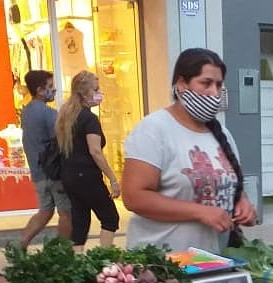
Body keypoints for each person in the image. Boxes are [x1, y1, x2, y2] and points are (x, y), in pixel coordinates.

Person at [122, 48, 256, 253]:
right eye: (206, 83)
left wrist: (242, 202)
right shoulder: (153, 130)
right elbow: (134, 197)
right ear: (182, 84)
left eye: (219, 85)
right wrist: (199, 212)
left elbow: (227, 182)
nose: (214, 93)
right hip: (164, 261)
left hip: (213, 260)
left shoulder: (223, 134)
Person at [55, 70, 120, 251]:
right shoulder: (89, 119)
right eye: (96, 90)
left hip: (69, 175)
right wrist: (113, 178)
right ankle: (103, 257)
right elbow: (95, 151)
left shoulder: (66, 116)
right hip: (87, 176)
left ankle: (78, 261)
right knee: (110, 217)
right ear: (84, 94)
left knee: (80, 221)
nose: (99, 93)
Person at [19, 70, 71, 249]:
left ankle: (21, 244)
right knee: (66, 213)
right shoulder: (48, 113)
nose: (53, 90)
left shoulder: (26, 111)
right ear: (40, 90)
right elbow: (62, 139)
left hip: (38, 172)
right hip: (54, 172)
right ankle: (64, 252)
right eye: (50, 86)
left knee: (45, 211)